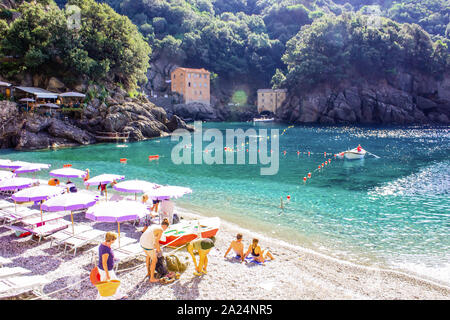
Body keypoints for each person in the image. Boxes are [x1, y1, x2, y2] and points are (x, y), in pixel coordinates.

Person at [97, 232, 127, 300]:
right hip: (105, 270)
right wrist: (107, 274)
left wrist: (113, 258)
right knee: (105, 286)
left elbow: (108, 256)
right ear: (111, 240)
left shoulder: (104, 244)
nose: (114, 241)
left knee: (114, 282)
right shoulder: (105, 249)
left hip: (106, 269)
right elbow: (104, 263)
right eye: (114, 239)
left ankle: (118, 296)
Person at [140, 218, 170, 283]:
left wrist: (156, 248)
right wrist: (159, 251)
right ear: (165, 226)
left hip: (142, 241)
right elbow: (156, 242)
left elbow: (153, 239)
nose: (165, 229)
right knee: (154, 260)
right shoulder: (161, 230)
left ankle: (148, 272)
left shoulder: (155, 226)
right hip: (147, 244)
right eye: (166, 228)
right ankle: (152, 278)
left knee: (148, 256)